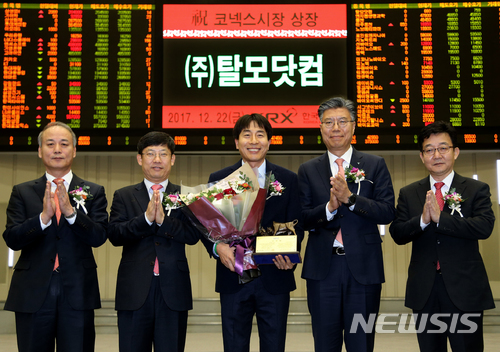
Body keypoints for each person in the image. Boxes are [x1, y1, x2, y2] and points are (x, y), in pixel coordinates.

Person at [297, 97, 395, 352]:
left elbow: (386, 212)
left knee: (361, 342)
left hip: (363, 268)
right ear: (320, 129)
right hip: (322, 269)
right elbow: (303, 218)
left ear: (354, 126)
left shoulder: (375, 164)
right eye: (329, 122)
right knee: (325, 343)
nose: (336, 128)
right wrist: (330, 208)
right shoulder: (308, 169)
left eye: (342, 121)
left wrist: (350, 199)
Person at [389, 121, 495, 351]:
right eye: (429, 149)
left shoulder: (476, 189)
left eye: (443, 148)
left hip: (464, 289)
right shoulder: (409, 193)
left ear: (455, 152)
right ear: (421, 156)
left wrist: (442, 219)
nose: (436, 155)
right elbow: (397, 233)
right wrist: (423, 220)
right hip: (424, 290)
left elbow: (484, 227)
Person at [2, 122, 108, 352]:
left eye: (64, 144)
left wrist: (71, 213)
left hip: (78, 290)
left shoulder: (94, 191)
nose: (57, 149)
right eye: (50, 144)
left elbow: (99, 236)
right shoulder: (22, 191)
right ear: (40, 151)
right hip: (33, 291)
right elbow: (12, 238)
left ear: (74, 150)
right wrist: (42, 218)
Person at [202, 113, 304, 352]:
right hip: (233, 276)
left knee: (274, 344)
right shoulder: (219, 179)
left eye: (260, 134)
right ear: (237, 142)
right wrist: (218, 248)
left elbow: (296, 225)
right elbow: (208, 226)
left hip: (275, 276)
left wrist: (290, 256)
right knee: (234, 345)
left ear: (269, 141)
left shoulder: (288, 179)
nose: (253, 140)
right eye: (246, 135)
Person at [108, 131, 201, 352]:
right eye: (150, 154)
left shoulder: (186, 196)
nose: (157, 160)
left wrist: (163, 222)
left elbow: (193, 235)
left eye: (163, 154)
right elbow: (114, 234)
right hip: (134, 290)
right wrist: (146, 220)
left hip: (173, 290)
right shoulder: (124, 195)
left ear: (173, 159)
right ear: (140, 158)